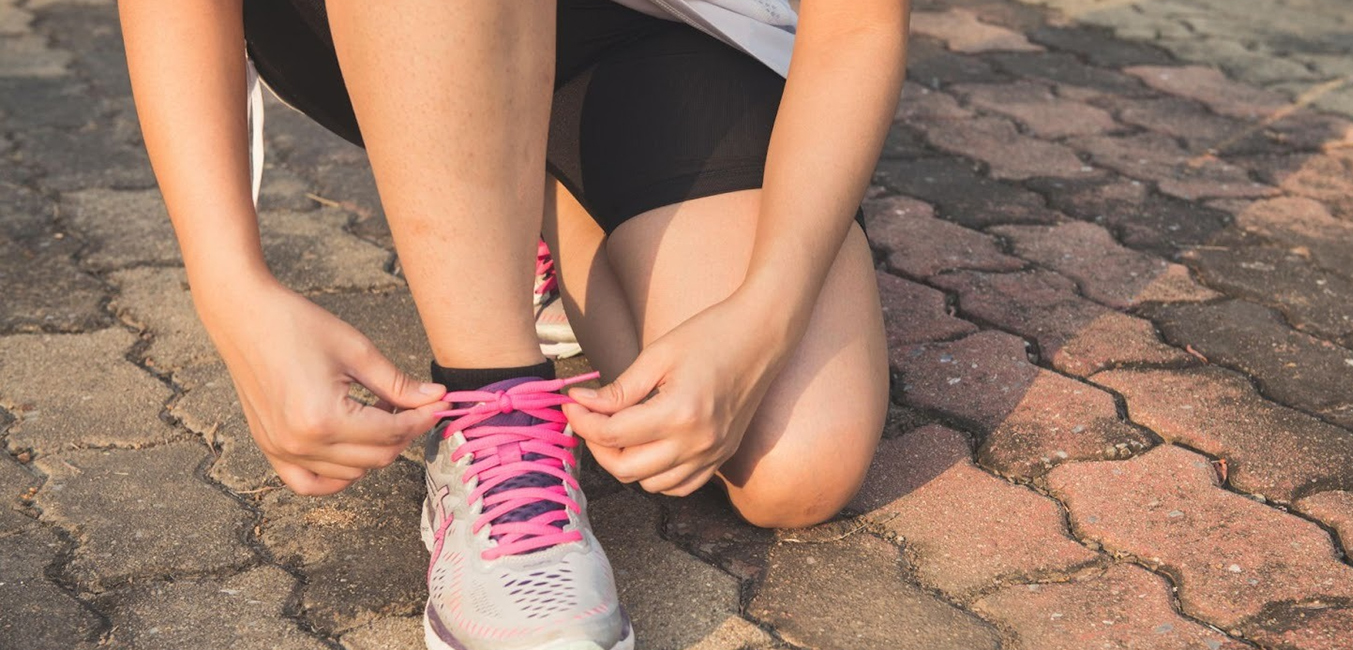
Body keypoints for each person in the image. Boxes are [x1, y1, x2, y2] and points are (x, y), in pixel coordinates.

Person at [118, 0, 905, 647]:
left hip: (667, 33)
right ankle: (493, 403)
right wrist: (230, 289)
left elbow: (860, 25)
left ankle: (521, 191)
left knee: (793, 463)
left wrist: (762, 318)